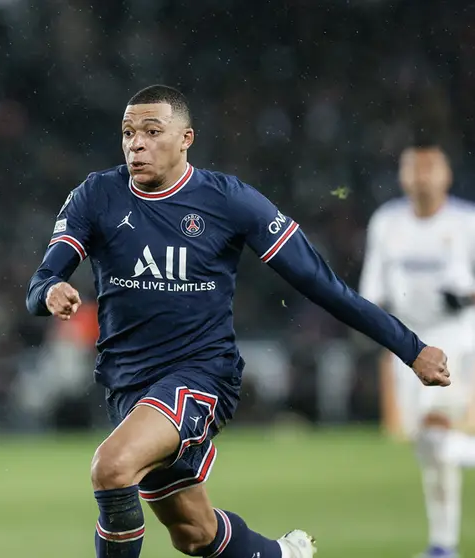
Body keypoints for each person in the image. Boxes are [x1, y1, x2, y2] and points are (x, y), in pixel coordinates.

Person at [25, 84, 450, 558]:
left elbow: (322, 284)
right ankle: (284, 555)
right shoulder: (96, 195)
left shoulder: (229, 201)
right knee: (195, 533)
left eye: (151, 131)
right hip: (129, 385)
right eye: (127, 133)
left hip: (199, 374)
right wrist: (51, 291)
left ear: (186, 138)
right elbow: (41, 281)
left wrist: (411, 348)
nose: (136, 144)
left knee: (111, 466)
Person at [359, 142, 475, 558]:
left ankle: (443, 546)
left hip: (457, 339)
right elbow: (372, 289)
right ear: (403, 175)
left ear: (445, 174)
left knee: (438, 430)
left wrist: (465, 297)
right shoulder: (387, 222)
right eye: (414, 168)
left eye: (430, 168)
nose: (422, 176)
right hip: (406, 343)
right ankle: (443, 545)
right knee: (428, 444)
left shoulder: (466, 221)